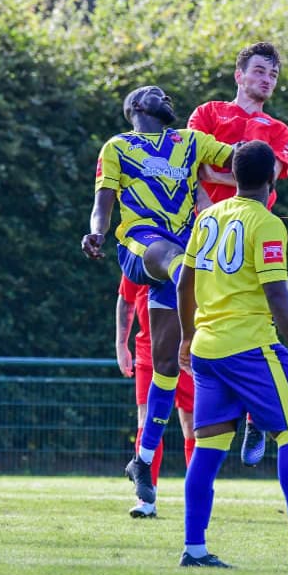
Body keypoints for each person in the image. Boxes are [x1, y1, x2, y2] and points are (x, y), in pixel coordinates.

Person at [176, 141, 288, 571]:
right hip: (251, 349)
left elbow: (185, 282)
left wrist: (186, 337)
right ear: (273, 177)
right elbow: (278, 295)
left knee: (208, 450)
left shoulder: (207, 217)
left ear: (234, 176)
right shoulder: (267, 223)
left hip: (207, 351)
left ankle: (194, 550)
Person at [83, 84, 234, 507]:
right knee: (182, 263)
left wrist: (258, 155)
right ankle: (201, 344)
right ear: (135, 106)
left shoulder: (190, 141)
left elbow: (236, 159)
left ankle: (142, 460)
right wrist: (96, 232)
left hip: (183, 259)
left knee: (167, 368)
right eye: (155, 93)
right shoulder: (118, 146)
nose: (165, 97)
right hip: (142, 244)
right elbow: (103, 201)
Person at [188, 41, 288, 466]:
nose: (267, 79)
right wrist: (204, 205)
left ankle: (254, 415)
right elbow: (190, 168)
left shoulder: (278, 130)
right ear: (239, 75)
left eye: (273, 75)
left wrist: (215, 176)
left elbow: (265, 177)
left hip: (249, 236)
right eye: (260, 71)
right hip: (208, 233)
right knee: (198, 319)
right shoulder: (208, 114)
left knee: (261, 316)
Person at [116, 274, 196, 518]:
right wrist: (121, 345)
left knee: (193, 426)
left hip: (188, 353)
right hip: (149, 353)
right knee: (146, 420)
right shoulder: (140, 256)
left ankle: (197, 495)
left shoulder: (192, 256)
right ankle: (146, 498)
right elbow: (126, 298)